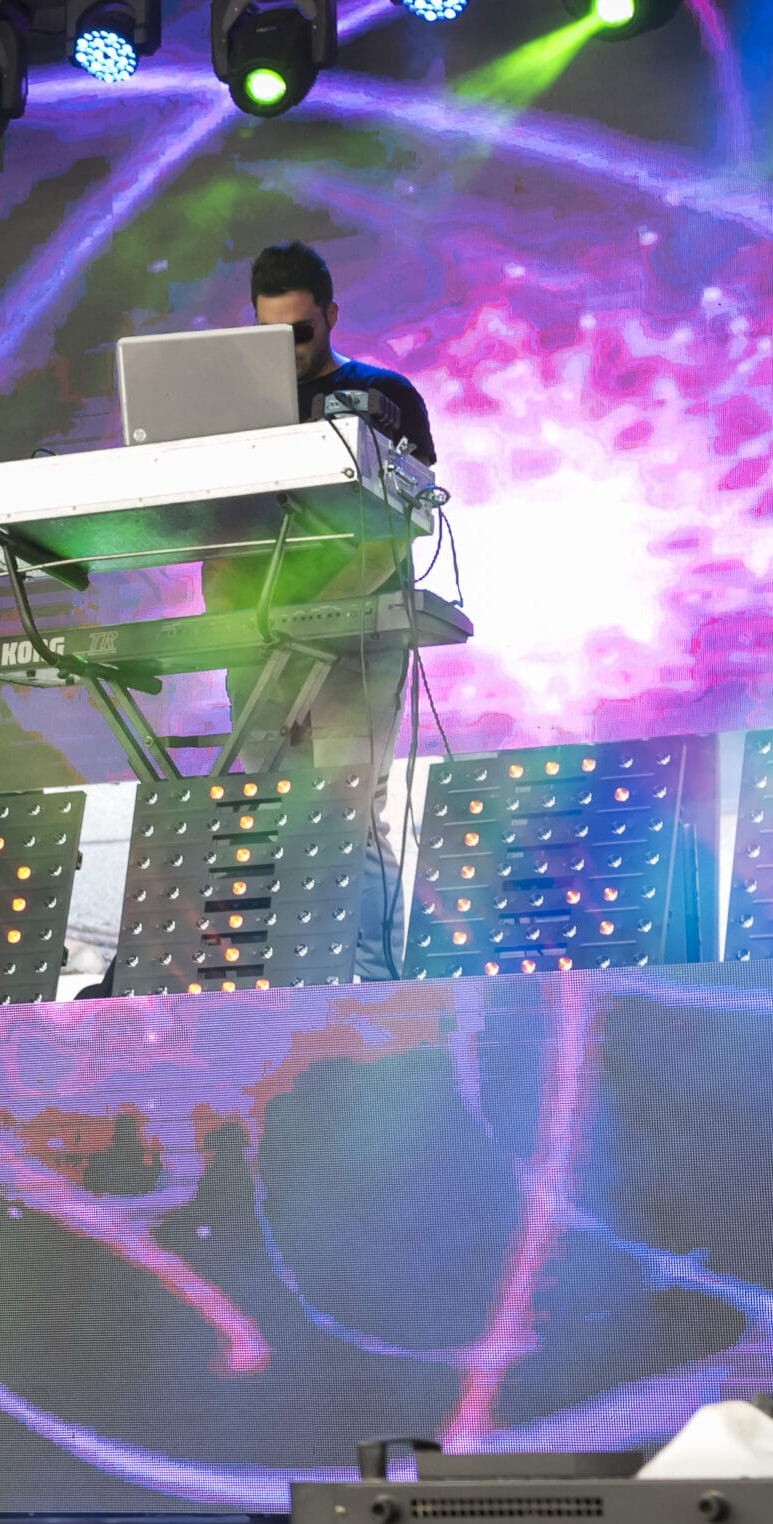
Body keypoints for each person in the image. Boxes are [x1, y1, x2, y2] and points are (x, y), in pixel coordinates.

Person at [205, 241, 440, 978]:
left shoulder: (384, 392)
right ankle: (290, 981)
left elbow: (404, 522)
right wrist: (236, 627)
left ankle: (375, 983)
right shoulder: (235, 411)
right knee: (273, 810)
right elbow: (215, 530)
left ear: (331, 317)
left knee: (348, 809)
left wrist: (314, 614)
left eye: (300, 332)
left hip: (355, 641)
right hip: (258, 643)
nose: (288, 349)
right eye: (269, 334)